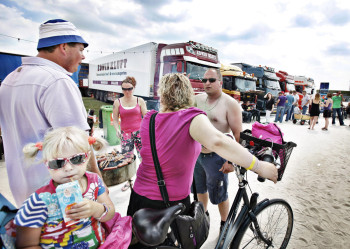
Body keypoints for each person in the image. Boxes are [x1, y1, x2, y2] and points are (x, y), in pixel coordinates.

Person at [126, 73, 277, 247]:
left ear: (163, 94)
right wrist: (258, 165)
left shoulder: (150, 119)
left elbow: (170, 147)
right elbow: (218, 142)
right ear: (188, 93)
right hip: (171, 203)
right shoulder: (191, 118)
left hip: (139, 199)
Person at [0, 19, 102, 207]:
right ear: (64, 47)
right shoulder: (56, 81)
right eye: (81, 50)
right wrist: (98, 189)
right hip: (61, 199)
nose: (83, 57)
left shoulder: (9, 80)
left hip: (25, 197)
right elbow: (79, 145)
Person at [15, 126, 116, 249]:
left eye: (77, 158)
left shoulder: (94, 181)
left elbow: (110, 212)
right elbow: (26, 244)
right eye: (58, 163)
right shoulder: (39, 200)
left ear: (88, 157)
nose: (68, 168)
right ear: (47, 164)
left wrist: (96, 209)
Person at [194, 68, 244, 232]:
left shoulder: (230, 104)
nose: (207, 83)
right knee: (200, 190)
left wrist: (231, 161)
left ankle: (225, 224)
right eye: (204, 80)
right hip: (197, 155)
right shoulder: (198, 99)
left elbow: (238, 135)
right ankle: (203, 218)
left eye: (211, 80)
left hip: (217, 157)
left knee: (220, 194)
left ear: (220, 82)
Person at [112, 76, 147, 191]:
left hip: (139, 133)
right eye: (124, 89)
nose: (127, 92)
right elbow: (116, 119)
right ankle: (129, 181)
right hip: (125, 134)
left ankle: (143, 179)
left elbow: (146, 117)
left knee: (144, 157)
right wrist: (117, 129)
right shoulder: (117, 102)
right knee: (127, 159)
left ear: (134, 88)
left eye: (129, 89)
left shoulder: (139, 101)